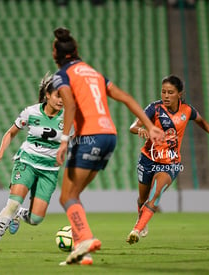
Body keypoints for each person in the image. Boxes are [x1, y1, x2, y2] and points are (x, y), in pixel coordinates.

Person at [51, 27, 165, 265]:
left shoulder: (62, 75)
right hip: (109, 136)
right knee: (74, 195)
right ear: (76, 50)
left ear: (55, 53)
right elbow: (125, 97)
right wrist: (149, 126)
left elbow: (69, 106)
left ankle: (86, 239)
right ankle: (84, 253)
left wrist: (63, 141)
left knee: (66, 196)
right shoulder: (94, 73)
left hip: (89, 136)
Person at [126, 75, 209, 244]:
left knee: (155, 194)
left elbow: (201, 121)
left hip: (170, 162)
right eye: (163, 91)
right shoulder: (154, 108)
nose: (165, 95)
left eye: (170, 92)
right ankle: (141, 217)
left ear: (179, 93)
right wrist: (140, 130)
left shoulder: (187, 110)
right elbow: (133, 126)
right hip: (148, 159)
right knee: (142, 199)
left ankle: (136, 229)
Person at [0, 72, 67, 253]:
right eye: (58, 96)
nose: (61, 100)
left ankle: (19, 214)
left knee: (36, 219)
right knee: (12, 202)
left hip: (49, 169)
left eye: (64, 96)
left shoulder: (68, 118)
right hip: (27, 161)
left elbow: (72, 143)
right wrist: (1, 151)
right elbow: (11, 132)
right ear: (48, 95)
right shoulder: (31, 112)